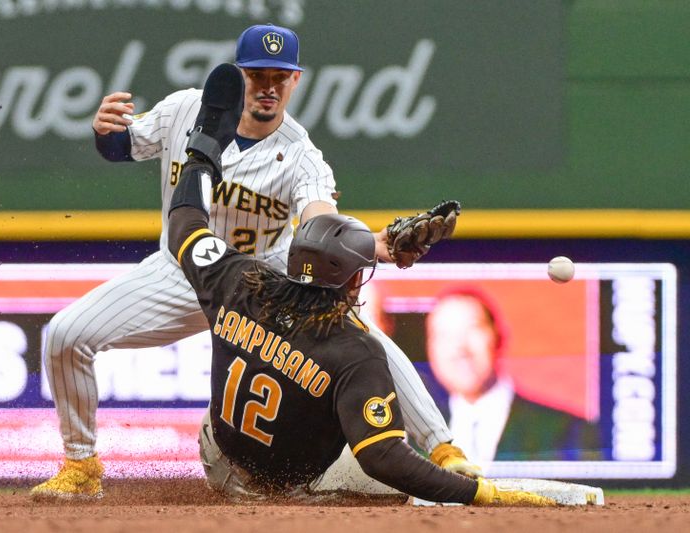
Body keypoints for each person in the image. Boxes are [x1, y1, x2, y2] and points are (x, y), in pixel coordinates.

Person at [31, 24, 476, 500]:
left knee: (364, 340)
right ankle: (81, 466)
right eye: (257, 75)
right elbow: (124, 147)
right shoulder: (186, 109)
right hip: (180, 268)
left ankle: (444, 450)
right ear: (239, 75)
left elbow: (320, 223)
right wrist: (104, 132)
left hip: (262, 281)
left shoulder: (302, 155)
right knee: (65, 335)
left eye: (279, 78)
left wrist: (375, 244)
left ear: (296, 81)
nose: (268, 87)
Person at [160, 63, 553, 505]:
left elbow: (184, 226)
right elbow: (385, 458)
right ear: (346, 281)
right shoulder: (353, 349)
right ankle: (435, 455)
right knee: (393, 475)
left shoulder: (238, 281)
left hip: (217, 458)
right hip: (283, 486)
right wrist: (479, 494)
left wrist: (202, 153)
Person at [424, 287, 600, 462]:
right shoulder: (414, 437)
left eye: (472, 329)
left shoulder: (569, 431)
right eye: (443, 335)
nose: (459, 348)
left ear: (498, 337)